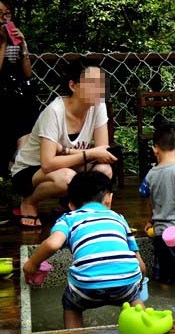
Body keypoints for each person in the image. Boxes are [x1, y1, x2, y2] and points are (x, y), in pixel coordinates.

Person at [23, 172, 146, 329]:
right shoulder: (119, 218)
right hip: (126, 283)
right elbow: (141, 265)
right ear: (109, 198)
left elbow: (52, 244)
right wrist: (138, 285)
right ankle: (143, 325)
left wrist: (32, 264)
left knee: (71, 304)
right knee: (134, 297)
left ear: (71, 205)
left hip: (86, 287)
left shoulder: (68, 218)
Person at [11, 62, 116, 228]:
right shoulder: (54, 112)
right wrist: (88, 154)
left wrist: (77, 152)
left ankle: (77, 206)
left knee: (104, 170)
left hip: (69, 163)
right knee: (67, 178)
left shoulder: (98, 106)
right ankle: (29, 201)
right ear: (73, 86)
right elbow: (47, 164)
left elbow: (102, 151)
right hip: (31, 170)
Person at [139, 122, 175, 297]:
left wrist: (151, 220)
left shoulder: (151, 174)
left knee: (164, 275)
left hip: (159, 234)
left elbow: (146, 195)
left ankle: (164, 302)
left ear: (155, 148)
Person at [0, 0, 35, 178]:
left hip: (16, 95)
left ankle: (19, 171)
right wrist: (3, 44)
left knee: (25, 132)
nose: (4, 18)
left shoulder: (14, 36)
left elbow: (27, 73)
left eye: (7, 14)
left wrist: (24, 46)